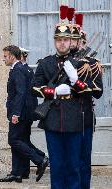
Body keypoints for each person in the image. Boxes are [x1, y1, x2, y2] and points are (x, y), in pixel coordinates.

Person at [31, 5, 88, 189]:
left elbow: (87, 91)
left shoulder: (80, 63)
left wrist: (74, 78)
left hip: (75, 119)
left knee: (73, 167)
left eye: (65, 39)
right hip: (53, 119)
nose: (62, 43)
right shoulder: (46, 63)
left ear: (71, 40)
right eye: (58, 40)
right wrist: (54, 92)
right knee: (57, 166)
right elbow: (34, 87)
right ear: (54, 41)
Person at [0, 45, 48, 183]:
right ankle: (20, 172)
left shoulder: (18, 69)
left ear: (12, 56)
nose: (3, 59)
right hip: (26, 112)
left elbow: (20, 93)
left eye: (5, 56)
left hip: (20, 112)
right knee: (22, 140)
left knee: (14, 140)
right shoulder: (21, 68)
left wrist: (16, 113)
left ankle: (39, 159)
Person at [69, 11, 103, 189]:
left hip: (84, 118)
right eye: (71, 40)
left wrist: (79, 83)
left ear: (83, 42)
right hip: (64, 118)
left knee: (83, 160)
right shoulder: (62, 62)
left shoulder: (92, 64)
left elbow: (98, 92)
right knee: (67, 161)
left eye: (77, 40)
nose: (74, 44)